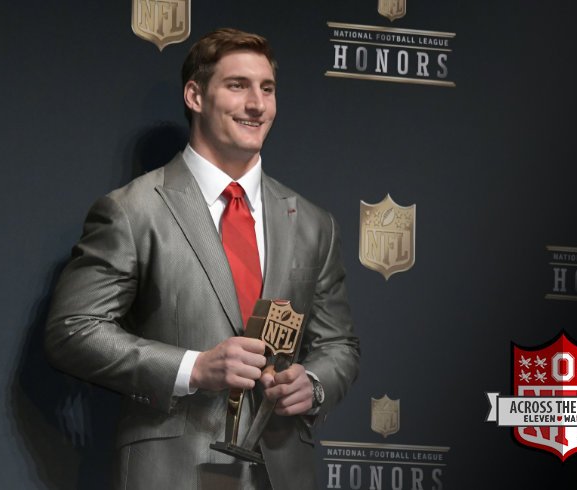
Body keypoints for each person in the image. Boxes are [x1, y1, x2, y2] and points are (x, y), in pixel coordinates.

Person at [45, 27, 360, 490]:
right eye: (238, 86)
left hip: (283, 472)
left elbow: (340, 347)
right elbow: (72, 331)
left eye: (267, 89)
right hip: (172, 471)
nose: (257, 104)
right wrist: (193, 368)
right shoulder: (134, 210)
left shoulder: (315, 223)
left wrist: (312, 384)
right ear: (194, 95)